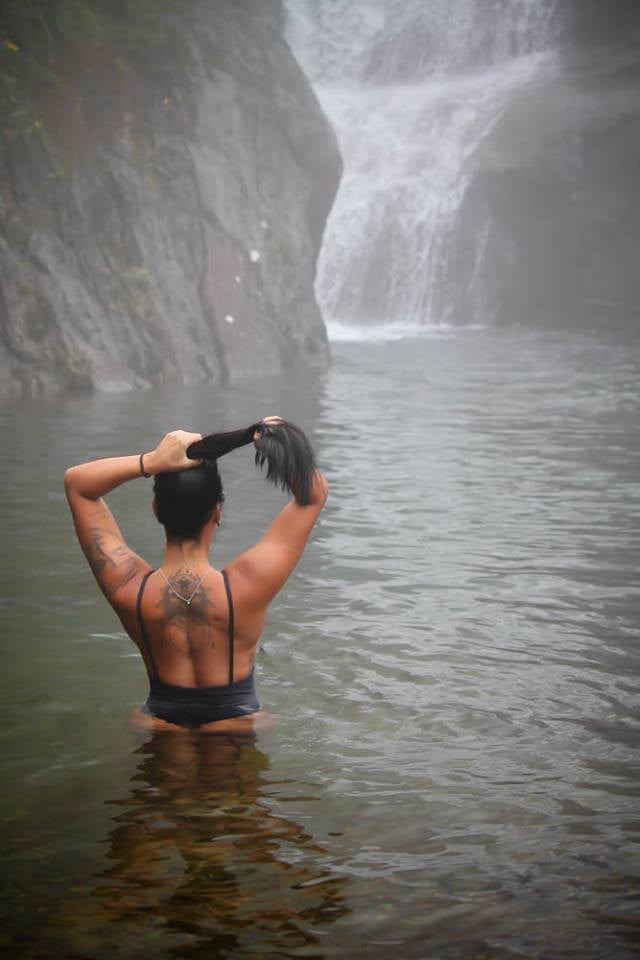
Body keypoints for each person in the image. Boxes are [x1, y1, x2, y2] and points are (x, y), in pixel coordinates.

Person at [64, 416, 328, 733]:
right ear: (217, 511)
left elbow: (78, 485)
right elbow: (314, 494)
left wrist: (151, 461)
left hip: (160, 728)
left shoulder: (128, 586)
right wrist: (261, 436)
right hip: (235, 731)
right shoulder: (248, 584)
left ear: (156, 509)